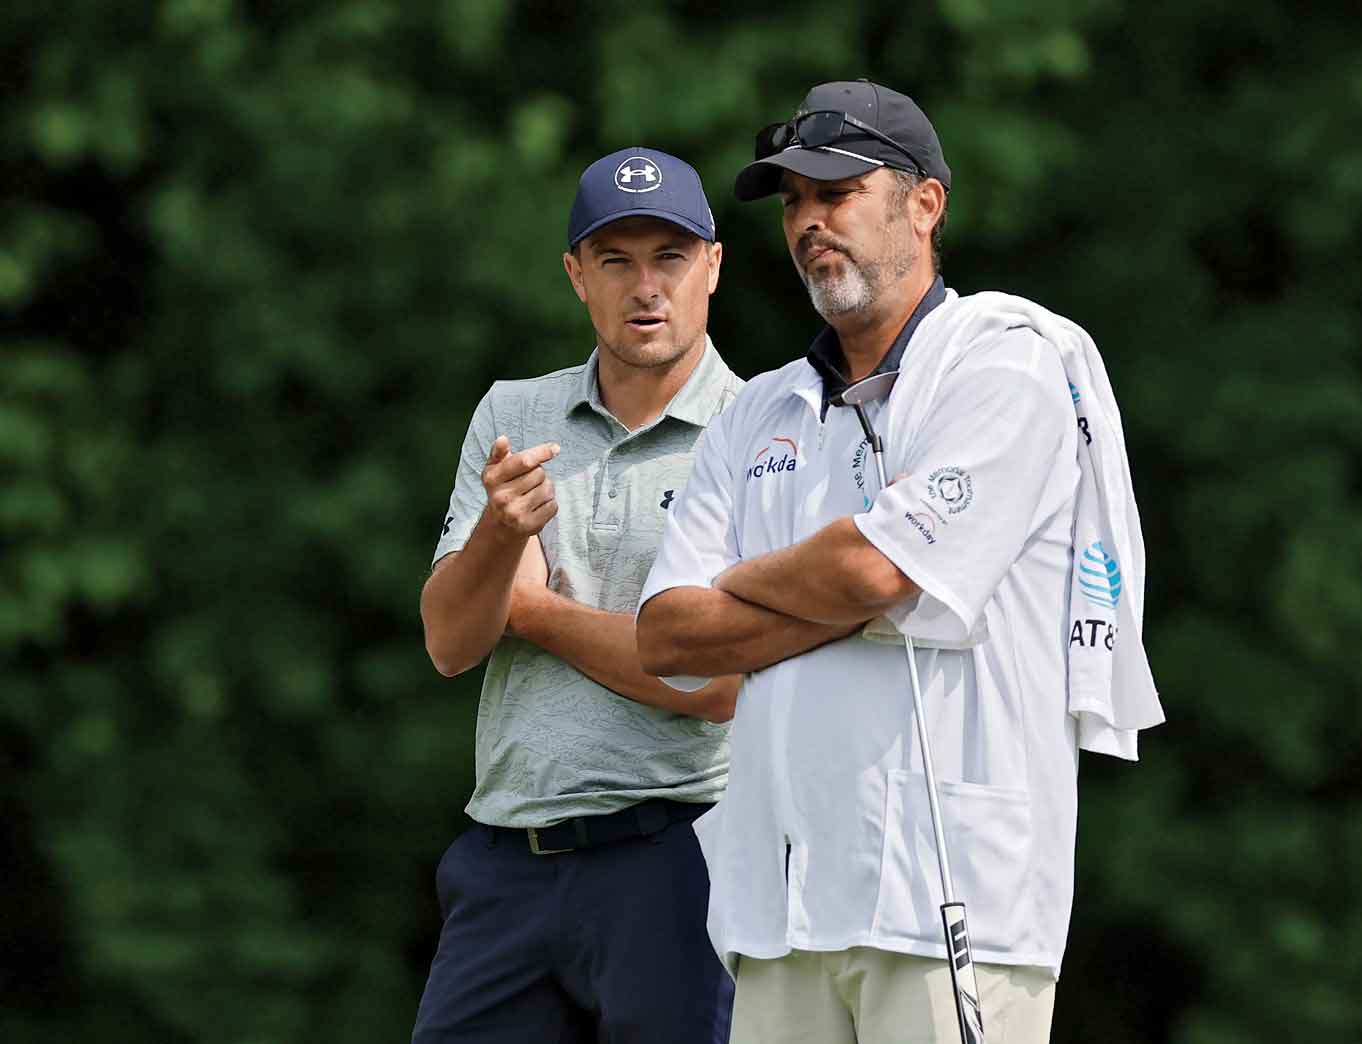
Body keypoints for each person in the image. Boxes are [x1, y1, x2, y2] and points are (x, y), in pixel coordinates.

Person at [636, 81, 1165, 1044]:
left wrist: (756, 586)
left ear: (925, 204)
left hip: (951, 897)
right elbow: (668, 634)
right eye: (792, 201)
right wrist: (851, 582)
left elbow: (879, 573)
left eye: (835, 192)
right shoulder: (754, 410)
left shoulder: (1004, 364)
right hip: (781, 911)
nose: (807, 222)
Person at [413, 146, 743, 1043]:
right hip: (504, 859)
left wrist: (534, 609)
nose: (647, 287)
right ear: (575, 275)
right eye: (616, 260)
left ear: (713, 266)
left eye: (670, 258)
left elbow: (713, 686)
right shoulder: (511, 416)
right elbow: (450, 643)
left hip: (676, 858)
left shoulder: (760, 430)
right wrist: (499, 535)